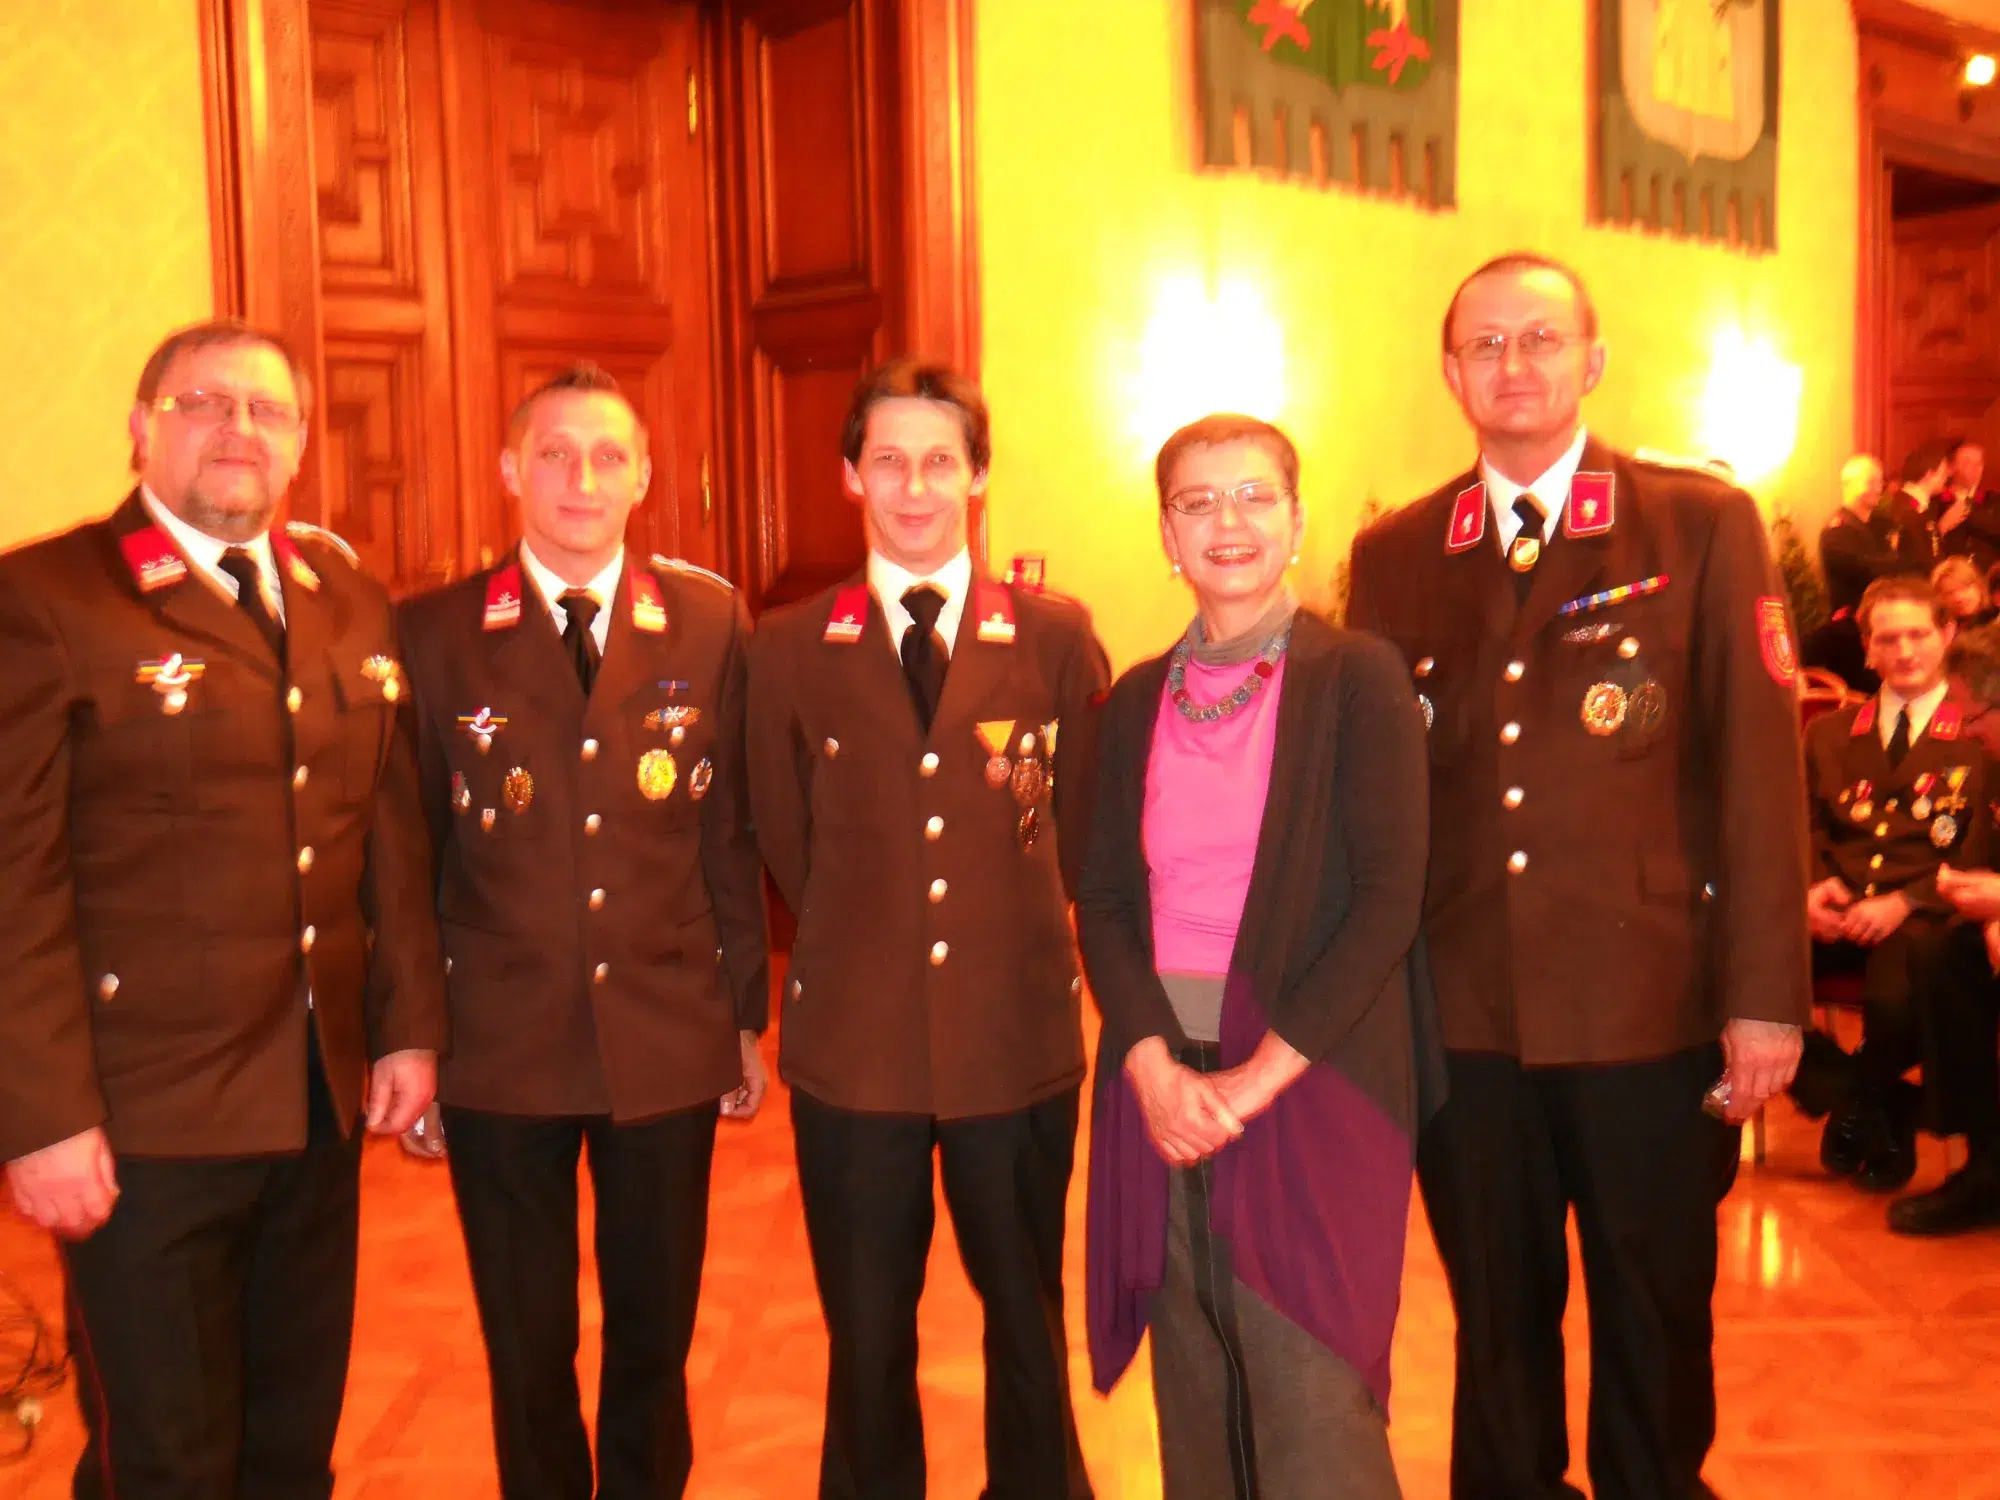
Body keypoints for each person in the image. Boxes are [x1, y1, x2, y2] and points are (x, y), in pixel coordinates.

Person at [1345, 253, 1811, 1500]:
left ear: (1591, 360)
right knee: (1495, 1325)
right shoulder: (1394, 555)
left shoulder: (1697, 525)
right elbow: (1376, 803)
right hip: (1464, 1018)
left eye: (1540, 339)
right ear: (1451, 374)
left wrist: (1765, 997)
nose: (1513, 364)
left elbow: (1758, 778)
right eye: (1485, 344)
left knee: (1651, 1312)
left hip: (1643, 1008)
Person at [0, 318, 446, 1500]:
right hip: (140, 1119)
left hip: (311, 1101)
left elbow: (385, 837)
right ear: (141, 429)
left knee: (290, 1443)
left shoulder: (346, 596)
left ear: (299, 445)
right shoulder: (45, 598)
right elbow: (12, 880)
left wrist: (406, 1027)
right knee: (166, 1458)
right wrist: (40, 1116)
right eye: (203, 402)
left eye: (267, 410)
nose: (238, 429)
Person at [396, 364, 770, 1500]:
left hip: (664, 1030)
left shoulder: (707, 620)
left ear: (644, 476)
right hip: (498, 1043)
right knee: (527, 1341)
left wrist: (741, 1018)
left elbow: (728, 833)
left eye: (608, 456)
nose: (581, 479)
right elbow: (405, 857)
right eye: (554, 454)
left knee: (655, 1329)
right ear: (509, 469)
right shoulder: (434, 631)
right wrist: (412, 1039)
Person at [745, 359, 1109, 1500]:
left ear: (978, 475)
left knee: (1027, 1317)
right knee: (866, 1333)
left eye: (939, 461)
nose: (914, 487)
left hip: (1014, 1039)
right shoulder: (786, 646)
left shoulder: (1053, 640)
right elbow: (784, 839)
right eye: (889, 461)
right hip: (857, 1049)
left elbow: (1082, 835)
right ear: (850, 476)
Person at [1077, 413, 1441, 1500]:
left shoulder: (1358, 678)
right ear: (1165, 536)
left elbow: (1388, 903)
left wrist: (1252, 1078)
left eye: (1251, 496)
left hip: (1313, 1076)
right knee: (1196, 1383)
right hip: (1160, 1084)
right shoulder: (1133, 699)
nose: (1225, 521)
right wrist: (1151, 1067)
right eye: (1196, 502)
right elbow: (1103, 901)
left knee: (1312, 1387)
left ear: (1295, 519)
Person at [1791, 577, 1996, 1206]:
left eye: (1918, 635)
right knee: (1732, 974)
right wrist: (1811, 888)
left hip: (1928, 911)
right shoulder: (1828, 733)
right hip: (1835, 905)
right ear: (1867, 648)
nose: (1904, 651)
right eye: (1887, 639)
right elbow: (1799, 825)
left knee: (1898, 999)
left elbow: (1982, 849)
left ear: (1948, 635)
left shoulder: (1981, 732)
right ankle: (1873, 1097)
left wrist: (1905, 902)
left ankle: (1867, 1097)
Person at [1809, 453, 1897, 692]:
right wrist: (1892, 562)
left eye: (1880, 481)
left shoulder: (1880, 525)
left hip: (1883, 623)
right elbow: (1869, 571)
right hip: (1852, 633)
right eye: (1871, 481)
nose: (1879, 488)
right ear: (1849, 484)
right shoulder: (1837, 531)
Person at [1885, 438, 1960, 575]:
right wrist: (1942, 527)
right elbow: (1922, 560)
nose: (1946, 478)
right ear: (1929, 474)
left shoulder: (1917, 505)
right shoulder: (1908, 510)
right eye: (1943, 473)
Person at [1934, 554, 1997, 631]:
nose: (1958, 598)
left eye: (1964, 588)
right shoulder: (1943, 629)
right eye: (1949, 593)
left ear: (1978, 585)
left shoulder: (1995, 622)